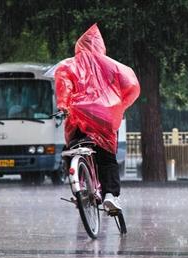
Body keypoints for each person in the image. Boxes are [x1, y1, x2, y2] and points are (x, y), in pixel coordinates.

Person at [54, 24, 140, 212]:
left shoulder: (68, 65)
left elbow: (64, 87)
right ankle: (110, 195)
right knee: (107, 158)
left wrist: (63, 106)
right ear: (101, 47)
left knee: (71, 150)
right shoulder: (114, 66)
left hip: (78, 118)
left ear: (79, 47)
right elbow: (132, 86)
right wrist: (119, 105)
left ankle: (81, 186)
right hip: (105, 118)